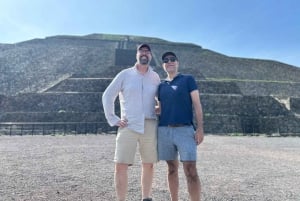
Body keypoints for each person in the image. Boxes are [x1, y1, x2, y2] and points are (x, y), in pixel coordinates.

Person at [102, 44, 160, 201]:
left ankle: (146, 197)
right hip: (128, 124)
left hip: (149, 124)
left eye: (147, 51)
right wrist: (113, 119)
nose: (144, 54)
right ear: (137, 54)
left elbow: (159, 98)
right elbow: (108, 95)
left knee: (148, 163)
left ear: (151, 55)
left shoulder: (155, 77)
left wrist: (159, 107)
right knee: (120, 164)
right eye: (142, 51)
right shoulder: (125, 74)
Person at [157, 51, 204, 201]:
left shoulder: (188, 80)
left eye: (172, 59)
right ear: (163, 65)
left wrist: (200, 128)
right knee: (171, 169)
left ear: (177, 62)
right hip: (164, 130)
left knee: (191, 170)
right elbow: (160, 108)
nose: (169, 61)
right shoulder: (161, 86)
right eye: (166, 60)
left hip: (185, 130)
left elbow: (197, 104)